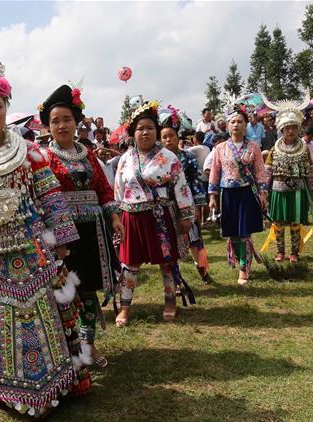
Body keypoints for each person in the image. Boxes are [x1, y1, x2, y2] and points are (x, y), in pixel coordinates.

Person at [0, 25, 82, 417]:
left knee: (49, 316)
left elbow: (51, 198)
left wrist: (63, 239)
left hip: (34, 251)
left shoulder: (32, 154)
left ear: (6, 109)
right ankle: (5, 389)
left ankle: (58, 383)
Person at [42, 84, 123, 369]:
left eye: (66, 119)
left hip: (91, 232)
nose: (61, 125)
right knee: (63, 292)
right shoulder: (43, 159)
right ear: (48, 127)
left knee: (87, 291)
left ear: (77, 122)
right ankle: (67, 348)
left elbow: (103, 187)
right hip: (61, 236)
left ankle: (88, 347)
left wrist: (113, 216)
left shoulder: (88, 154)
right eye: (55, 121)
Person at [114, 99, 195, 324]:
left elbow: (181, 186)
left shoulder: (169, 157)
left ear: (157, 132)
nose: (145, 132)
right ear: (133, 133)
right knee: (129, 265)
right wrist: (116, 216)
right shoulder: (125, 159)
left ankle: (170, 302)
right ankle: (124, 308)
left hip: (161, 217)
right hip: (131, 217)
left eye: (150, 128)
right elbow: (118, 190)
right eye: (140, 128)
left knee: (167, 262)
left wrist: (186, 215)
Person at [208, 104, 268, 284]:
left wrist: (263, 193)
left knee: (244, 232)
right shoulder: (220, 148)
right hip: (228, 193)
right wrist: (212, 195)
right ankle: (238, 258)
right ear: (227, 126)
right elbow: (215, 172)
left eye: (240, 122)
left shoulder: (254, 147)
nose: (236, 125)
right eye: (232, 122)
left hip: (247, 193)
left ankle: (244, 268)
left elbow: (260, 171)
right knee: (232, 232)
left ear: (246, 124)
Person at [159, 105, 212, 282]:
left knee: (194, 239)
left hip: (186, 204)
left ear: (177, 137)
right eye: (164, 137)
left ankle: (203, 270)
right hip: (166, 206)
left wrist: (197, 205)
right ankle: (176, 279)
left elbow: (195, 181)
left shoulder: (188, 157)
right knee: (171, 243)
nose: (168, 140)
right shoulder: (157, 161)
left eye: (171, 136)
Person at [260, 94, 313, 262]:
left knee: (295, 222)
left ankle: (294, 253)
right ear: (282, 130)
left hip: (297, 191)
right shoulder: (274, 150)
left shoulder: (304, 149)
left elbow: (310, 172)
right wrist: (264, 191)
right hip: (278, 190)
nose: (290, 131)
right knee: (278, 222)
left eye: (293, 127)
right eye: (287, 128)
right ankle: (280, 251)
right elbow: (267, 171)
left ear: (298, 129)